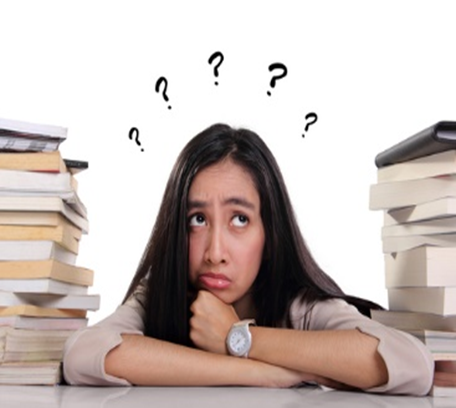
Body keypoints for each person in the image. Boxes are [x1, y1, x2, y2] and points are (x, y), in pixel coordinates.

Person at [63, 123, 434, 394]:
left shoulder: (298, 305)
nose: (215, 253)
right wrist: (259, 372)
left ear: (269, 234)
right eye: (197, 220)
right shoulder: (161, 292)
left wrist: (238, 338)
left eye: (239, 219)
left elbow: (413, 364)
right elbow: (85, 354)